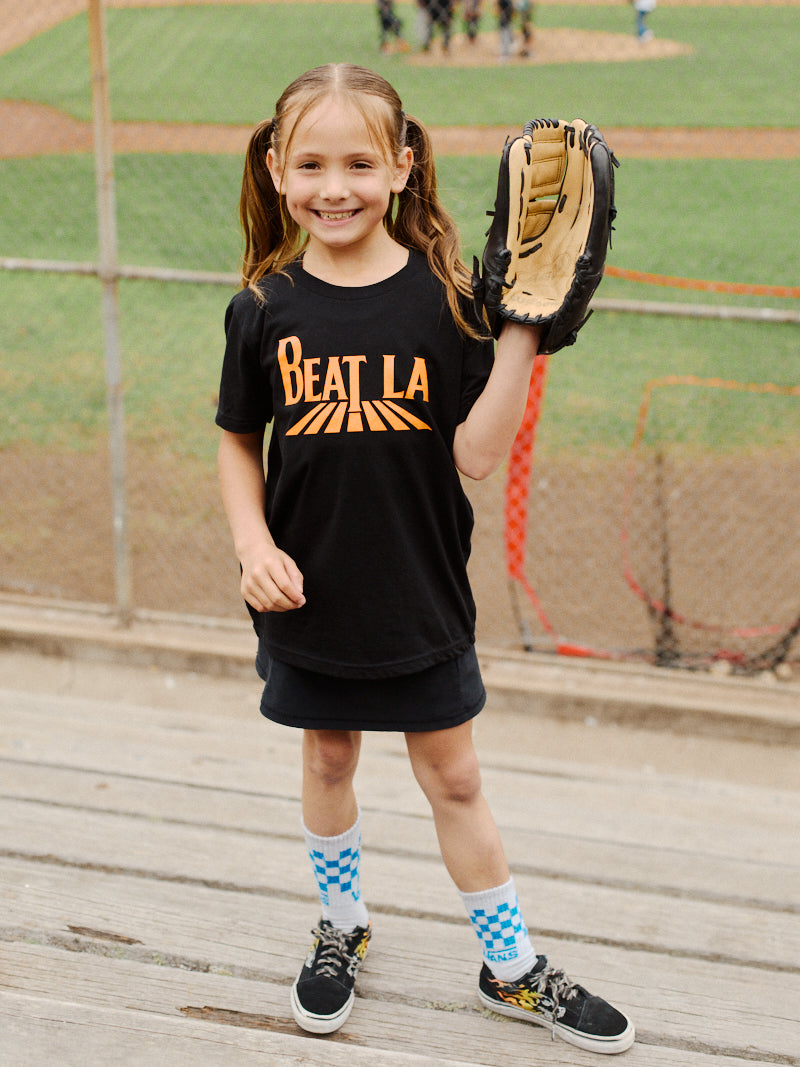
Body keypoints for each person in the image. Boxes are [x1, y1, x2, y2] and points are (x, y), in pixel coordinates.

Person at [216, 63, 635, 1056]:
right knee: (326, 752)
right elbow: (238, 438)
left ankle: (510, 966)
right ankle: (341, 923)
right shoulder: (262, 308)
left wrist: (521, 329)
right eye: (310, 163)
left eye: (359, 162)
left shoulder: (445, 300)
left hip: (418, 592)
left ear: (402, 167)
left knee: (452, 777)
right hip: (307, 591)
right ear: (277, 171)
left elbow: (475, 456)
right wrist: (251, 541)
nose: (335, 186)